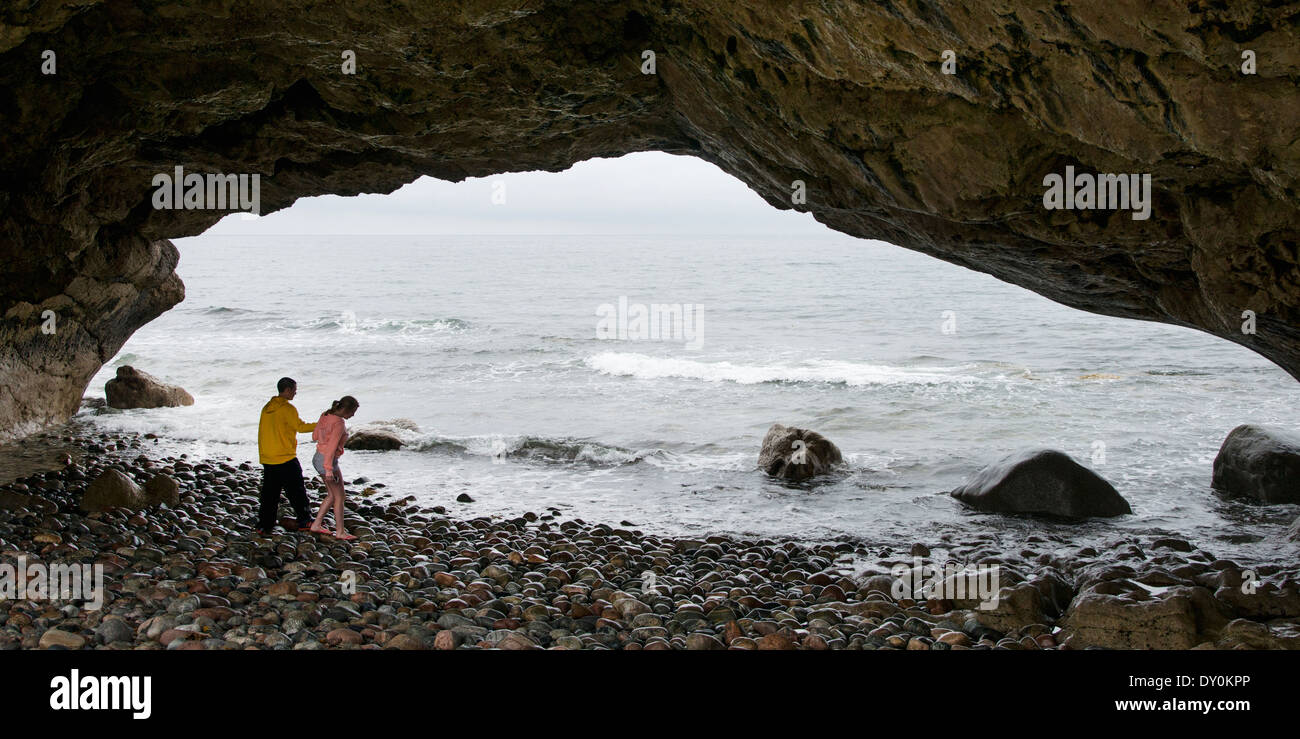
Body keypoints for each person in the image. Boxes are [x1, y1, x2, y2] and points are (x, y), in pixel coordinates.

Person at [256, 377, 317, 535]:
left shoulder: (267, 407)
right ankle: (305, 520)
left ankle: (264, 525)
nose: (296, 393)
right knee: (297, 491)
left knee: (270, 494)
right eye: (294, 390)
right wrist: (322, 424)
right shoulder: (287, 408)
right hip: (284, 456)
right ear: (288, 389)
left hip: (268, 456)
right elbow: (301, 427)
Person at [308, 396, 359, 540]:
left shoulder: (325, 415)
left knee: (332, 495)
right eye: (353, 411)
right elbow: (331, 447)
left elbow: (314, 436)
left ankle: (316, 525)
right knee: (339, 496)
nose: (353, 415)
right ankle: (340, 532)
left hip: (318, 457)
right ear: (346, 409)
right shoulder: (339, 423)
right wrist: (329, 469)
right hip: (327, 461)